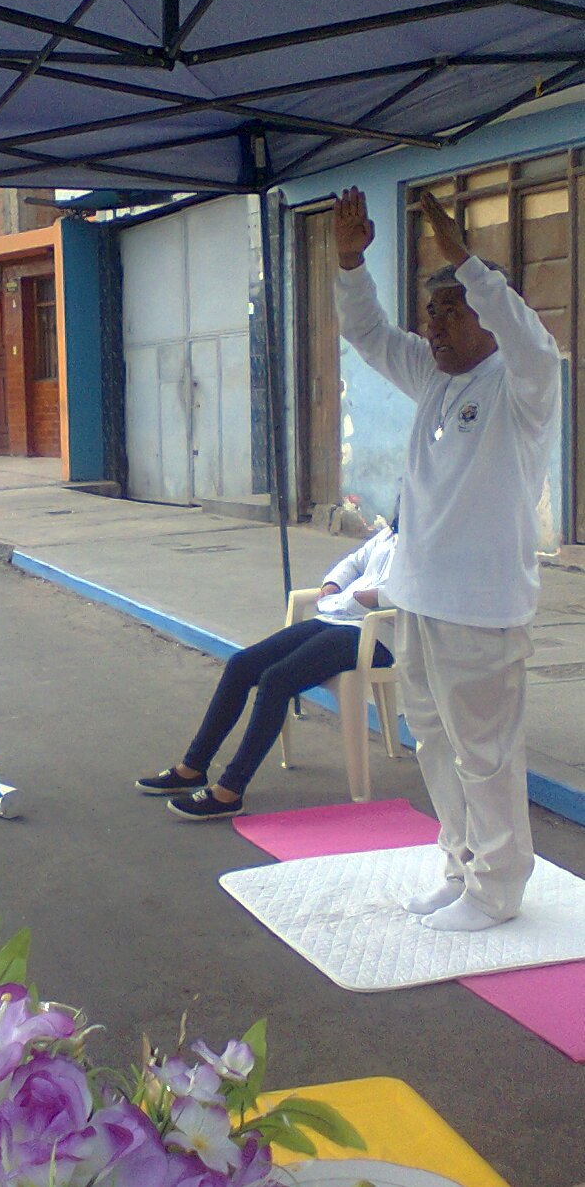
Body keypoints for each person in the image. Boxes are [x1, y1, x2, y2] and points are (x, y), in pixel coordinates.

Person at [333, 186, 560, 932]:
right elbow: (366, 332)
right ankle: (461, 866)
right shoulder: (433, 375)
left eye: (450, 309)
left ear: (485, 316)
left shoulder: (521, 384)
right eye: (430, 310)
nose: (432, 325)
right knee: (434, 743)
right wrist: (348, 260)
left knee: (486, 755)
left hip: (482, 608)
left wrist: (463, 257)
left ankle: (498, 889)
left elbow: (526, 335)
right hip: (418, 599)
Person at [137, 519, 397, 820]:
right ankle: (193, 767)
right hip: (338, 617)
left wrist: (370, 597)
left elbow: (423, 593)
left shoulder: (427, 543)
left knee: (276, 680)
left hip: (378, 633)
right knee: (242, 665)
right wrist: (333, 585)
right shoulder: (390, 533)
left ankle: (231, 790)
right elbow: (354, 562)